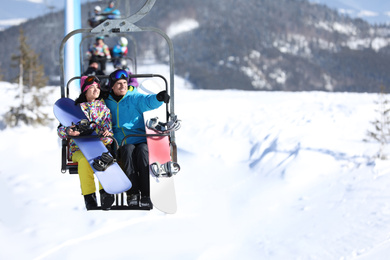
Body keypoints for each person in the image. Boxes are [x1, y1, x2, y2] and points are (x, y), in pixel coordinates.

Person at [104, 69, 170, 208]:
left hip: (139, 139)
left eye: (124, 83)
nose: (123, 86)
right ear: (112, 86)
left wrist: (159, 98)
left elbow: (147, 101)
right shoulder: (107, 102)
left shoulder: (133, 97)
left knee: (142, 151)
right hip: (121, 142)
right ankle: (132, 193)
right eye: (119, 84)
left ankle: (146, 193)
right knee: (127, 151)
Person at [57, 76, 115, 211]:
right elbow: (60, 132)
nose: (96, 90)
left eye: (97, 87)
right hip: (79, 149)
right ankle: (89, 197)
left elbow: (110, 136)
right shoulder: (74, 109)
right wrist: (68, 131)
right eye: (92, 87)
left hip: (98, 147)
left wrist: (106, 134)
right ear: (85, 90)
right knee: (84, 161)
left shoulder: (104, 110)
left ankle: (105, 193)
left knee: (102, 159)